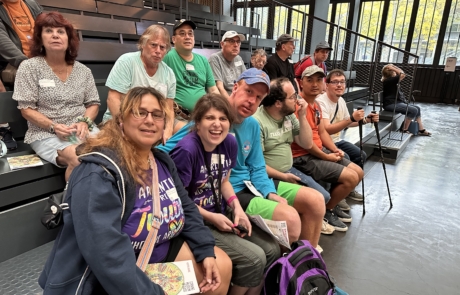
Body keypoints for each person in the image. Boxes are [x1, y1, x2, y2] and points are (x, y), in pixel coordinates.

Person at [39, 86, 231, 295]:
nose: (149, 120)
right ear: (121, 120)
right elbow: (106, 253)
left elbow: (186, 207)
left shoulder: (161, 161)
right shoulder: (98, 172)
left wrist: (205, 249)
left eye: (157, 115)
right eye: (140, 113)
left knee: (220, 266)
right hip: (110, 269)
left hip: (158, 250)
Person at [159, 69, 325, 251]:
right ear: (236, 88)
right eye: (249, 92)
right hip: (232, 188)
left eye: (259, 97)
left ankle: (308, 266)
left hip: (254, 183)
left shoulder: (252, 124)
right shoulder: (212, 121)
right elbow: (165, 150)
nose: (252, 101)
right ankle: (281, 268)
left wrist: (270, 192)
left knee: (315, 200)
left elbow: (257, 166)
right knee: (291, 220)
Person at [170, 94, 279, 295]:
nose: (217, 125)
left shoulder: (229, 142)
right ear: (197, 123)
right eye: (210, 118)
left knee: (272, 249)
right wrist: (212, 217)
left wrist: (237, 209)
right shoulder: (187, 150)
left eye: (223, 119)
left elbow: (224, 181)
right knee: (254, 258)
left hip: (221, 211)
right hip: (196, 220)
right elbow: (178, 202)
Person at [12, 11, 100, 180]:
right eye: (48, 31)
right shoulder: (29, 67)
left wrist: (84, 121)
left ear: (69, 39)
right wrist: (53, 126)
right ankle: (75, 205)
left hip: (81, 130)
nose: (55, 36)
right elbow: (26, 109)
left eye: (60, 32)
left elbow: (93, 103)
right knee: (79, 158)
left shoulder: (83, 71)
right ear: (40, 38)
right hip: (46, 133)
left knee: (111, 153)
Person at [253, 77, 335, 235]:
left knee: (323, 197)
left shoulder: (289, 115)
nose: (298, 100)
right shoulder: (258, 122)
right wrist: (283, 176)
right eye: (293, 97)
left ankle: (310, 222)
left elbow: (306, 143)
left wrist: (302, 116)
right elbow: (257, 164)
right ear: (278, 103)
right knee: (320, 198)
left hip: (290, 169)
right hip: (272, 175)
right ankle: (305, 228)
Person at [292, 66, 364, 232]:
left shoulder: (316, 104)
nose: (315, 84)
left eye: (319, 80)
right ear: (301, 82)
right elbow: (306, 144)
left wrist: (333, 150)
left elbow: (322, 131)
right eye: (310, 80)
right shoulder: (298, 106)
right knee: (351, 178)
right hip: (303, 157)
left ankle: (333, 204)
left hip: (319, 151)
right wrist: (326, 157)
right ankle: (327, 210)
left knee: (358, 172)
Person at [317, 69, 379, 206]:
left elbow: (348, 122)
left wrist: (366, 120)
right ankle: (337, 195)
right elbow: (326, 129)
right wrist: (351, 118)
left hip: (337, 140)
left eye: (342, 82)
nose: (339, 85)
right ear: (327, 85)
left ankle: (346, 189)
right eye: (335, 82)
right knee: (346, 157)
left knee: (361, 155)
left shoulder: (341, 101)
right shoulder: (321, 102)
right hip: (324, 142)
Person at [103, 24, 176, 142]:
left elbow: (169, 108)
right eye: (153, 45)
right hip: (120, 122)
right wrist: (124, 125)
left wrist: (168, 130)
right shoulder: (127, 62)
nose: (158, 51)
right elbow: (113, 99)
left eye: (162, 47)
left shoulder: (169, 73)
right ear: (143, 44)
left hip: (152, 125)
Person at [0, 0, 43, 150]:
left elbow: (49, 27)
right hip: (12, 63)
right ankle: (3, 127)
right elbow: (2, 41)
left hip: (40, 58)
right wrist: (25, 63)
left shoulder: (31, 4)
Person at [163, 19, 219, 129]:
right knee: (196, 135)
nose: (187, 37)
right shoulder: (167, 57)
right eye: (182, 33)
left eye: (190, 34)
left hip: (203, 115)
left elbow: (213, 90)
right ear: (174, 39)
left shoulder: (203, 60)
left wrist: (223, 110)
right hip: (178, 116)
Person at [381, 64, 431, 136]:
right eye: (394, 71)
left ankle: (421, 129)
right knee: (413, 110)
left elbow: (401, 73)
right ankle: (404, 129)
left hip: (397, 102)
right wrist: (393, 68)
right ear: (391, 72)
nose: (396, 72)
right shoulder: (389, 80)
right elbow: (403, 74)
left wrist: (394, 67)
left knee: (417, 108)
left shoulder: (392, 80)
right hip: (390, 104)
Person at [208, 31, 246, 100]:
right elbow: (219, 87)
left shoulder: (238, 59)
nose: (236, 45)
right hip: (224, 99)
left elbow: (245, 82)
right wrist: (231, 105)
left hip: (238, 97)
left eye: (238, 42)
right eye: (232, 41)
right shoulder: (215, 58)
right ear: (222, 44)